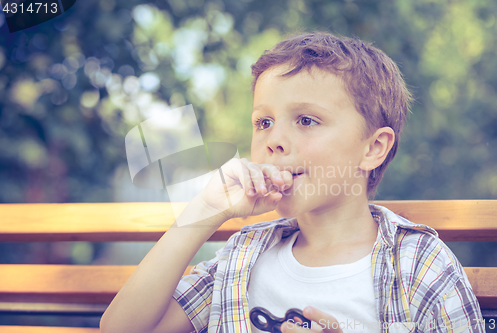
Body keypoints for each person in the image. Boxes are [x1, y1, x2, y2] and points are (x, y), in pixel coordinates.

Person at [100, 32, 485, 333]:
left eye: (306, 120)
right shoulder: (243, 256)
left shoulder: (420, 266)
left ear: (373, 148)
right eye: (263, 122)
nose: (273, 140)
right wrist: (204, 211)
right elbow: (124, 327)